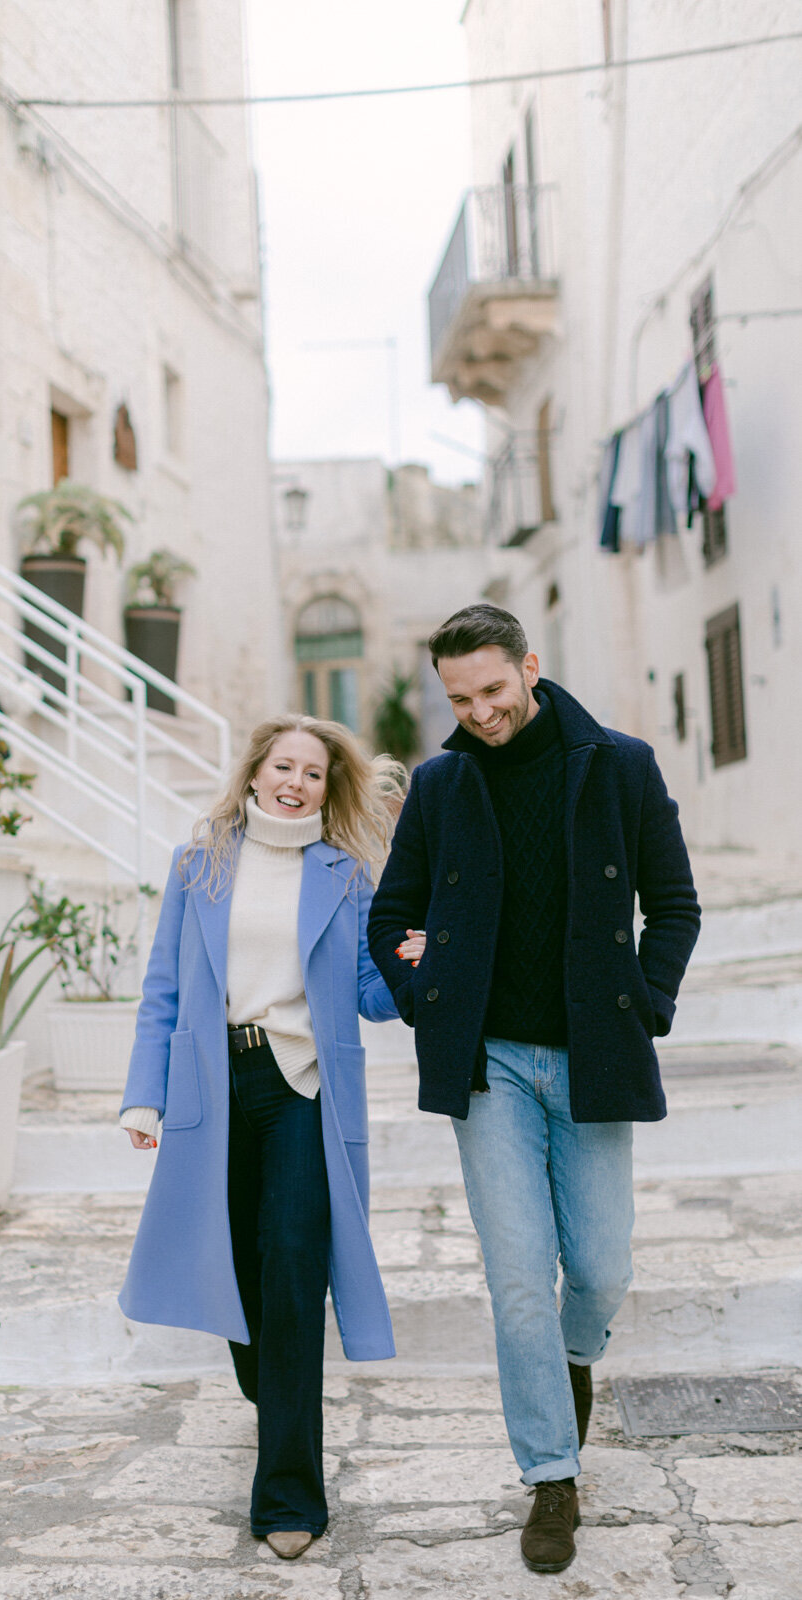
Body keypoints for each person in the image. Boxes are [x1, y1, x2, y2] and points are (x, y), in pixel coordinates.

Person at [367, 604, 700, 1575]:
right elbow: (392, 911)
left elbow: (671, 903)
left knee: (597, 1268)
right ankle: (551, 1475)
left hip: (591, 1052)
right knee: (517, 1278)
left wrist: (646, 996)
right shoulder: (438, 785)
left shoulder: (619, 765)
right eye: (458, 698)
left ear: (529, 667)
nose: (477, 712)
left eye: (492, 691)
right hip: (489, 1066)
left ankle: (572, 1359)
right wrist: (416, 983)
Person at [119, 714, 420, 1559]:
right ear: (254, 772)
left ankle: (288, 1496)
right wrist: (143, 1096)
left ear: (329, 788)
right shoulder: (200, 864)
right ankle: (270, 1387)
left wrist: (413, 966)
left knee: (293, 1271)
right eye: (283, 765)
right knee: (240, 1280)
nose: (296, 782)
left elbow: (367, 990)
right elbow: (165, 989)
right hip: (217, 1086)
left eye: (314, 772)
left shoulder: (345, 874)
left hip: (301, 1090)